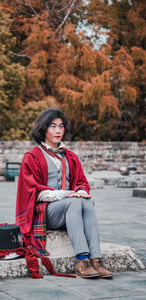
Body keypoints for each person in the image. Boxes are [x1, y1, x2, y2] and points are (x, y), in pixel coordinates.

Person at [16, 108, 113, 279]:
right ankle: (82, 261)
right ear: (43, 128)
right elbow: (32, 192)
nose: (58, 130)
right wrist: (65, 194)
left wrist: (82, 192)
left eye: (61, 126)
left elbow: (82, 182)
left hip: (71, 210)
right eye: (52, 126)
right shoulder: (32, 156)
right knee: (74, 201)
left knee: (87, 201)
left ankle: (96, 259)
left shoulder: (71, 157)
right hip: (45, 213)